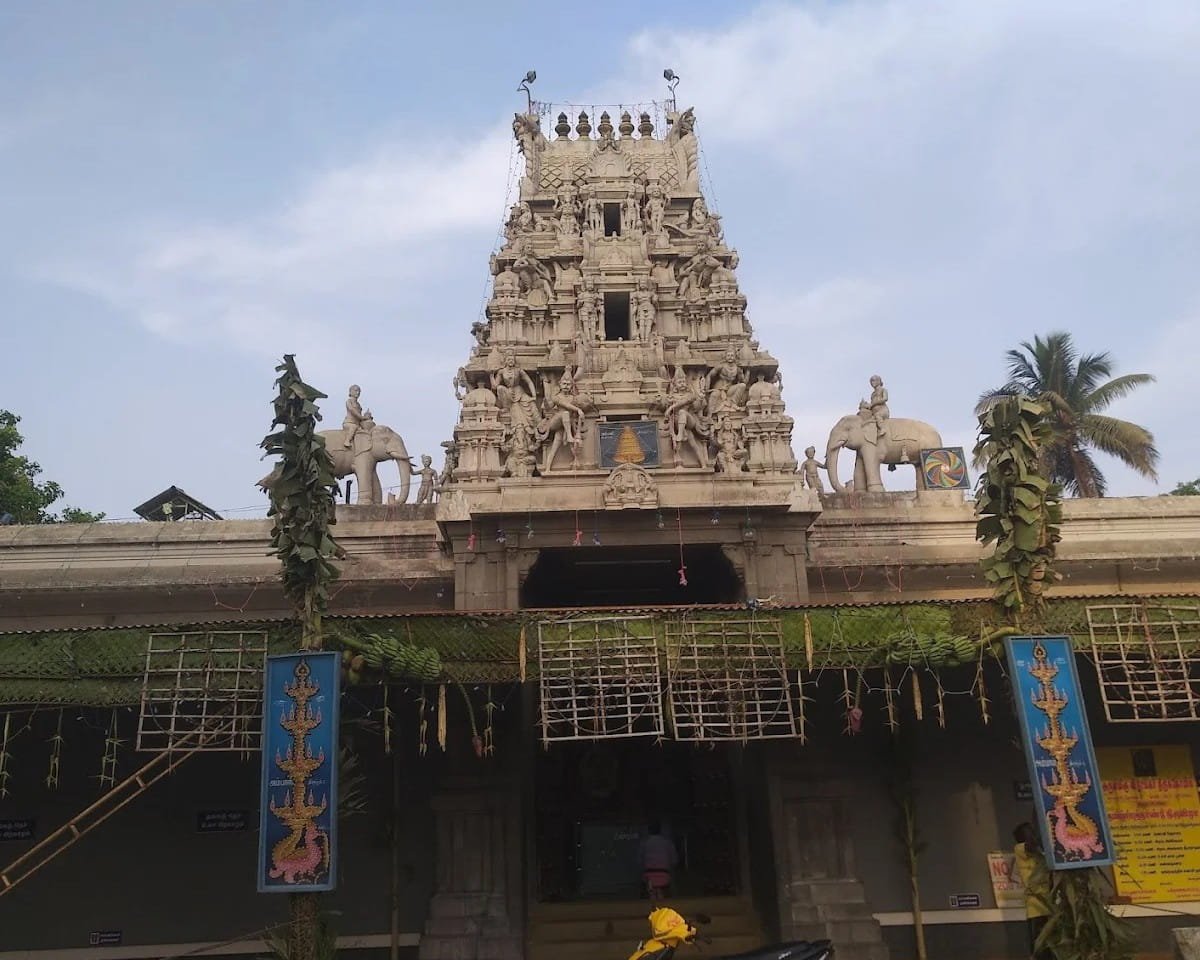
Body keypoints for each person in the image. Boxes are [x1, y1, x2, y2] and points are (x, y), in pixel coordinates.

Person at [1013, 822, 1052, 960]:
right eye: (1029, 832)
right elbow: (1032, 846)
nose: (1033, 834)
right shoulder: (1020, 849)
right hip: (1036, 908)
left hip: (1050, 905)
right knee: (1040, 947)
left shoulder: (1039, 853)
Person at [641, 820, 678, 902]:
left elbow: (640, 861)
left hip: (649, 876)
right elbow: (674, 860)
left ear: (649, 830)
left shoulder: (645, 843)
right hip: (665, 875)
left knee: (651, 892)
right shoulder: (667, 842)